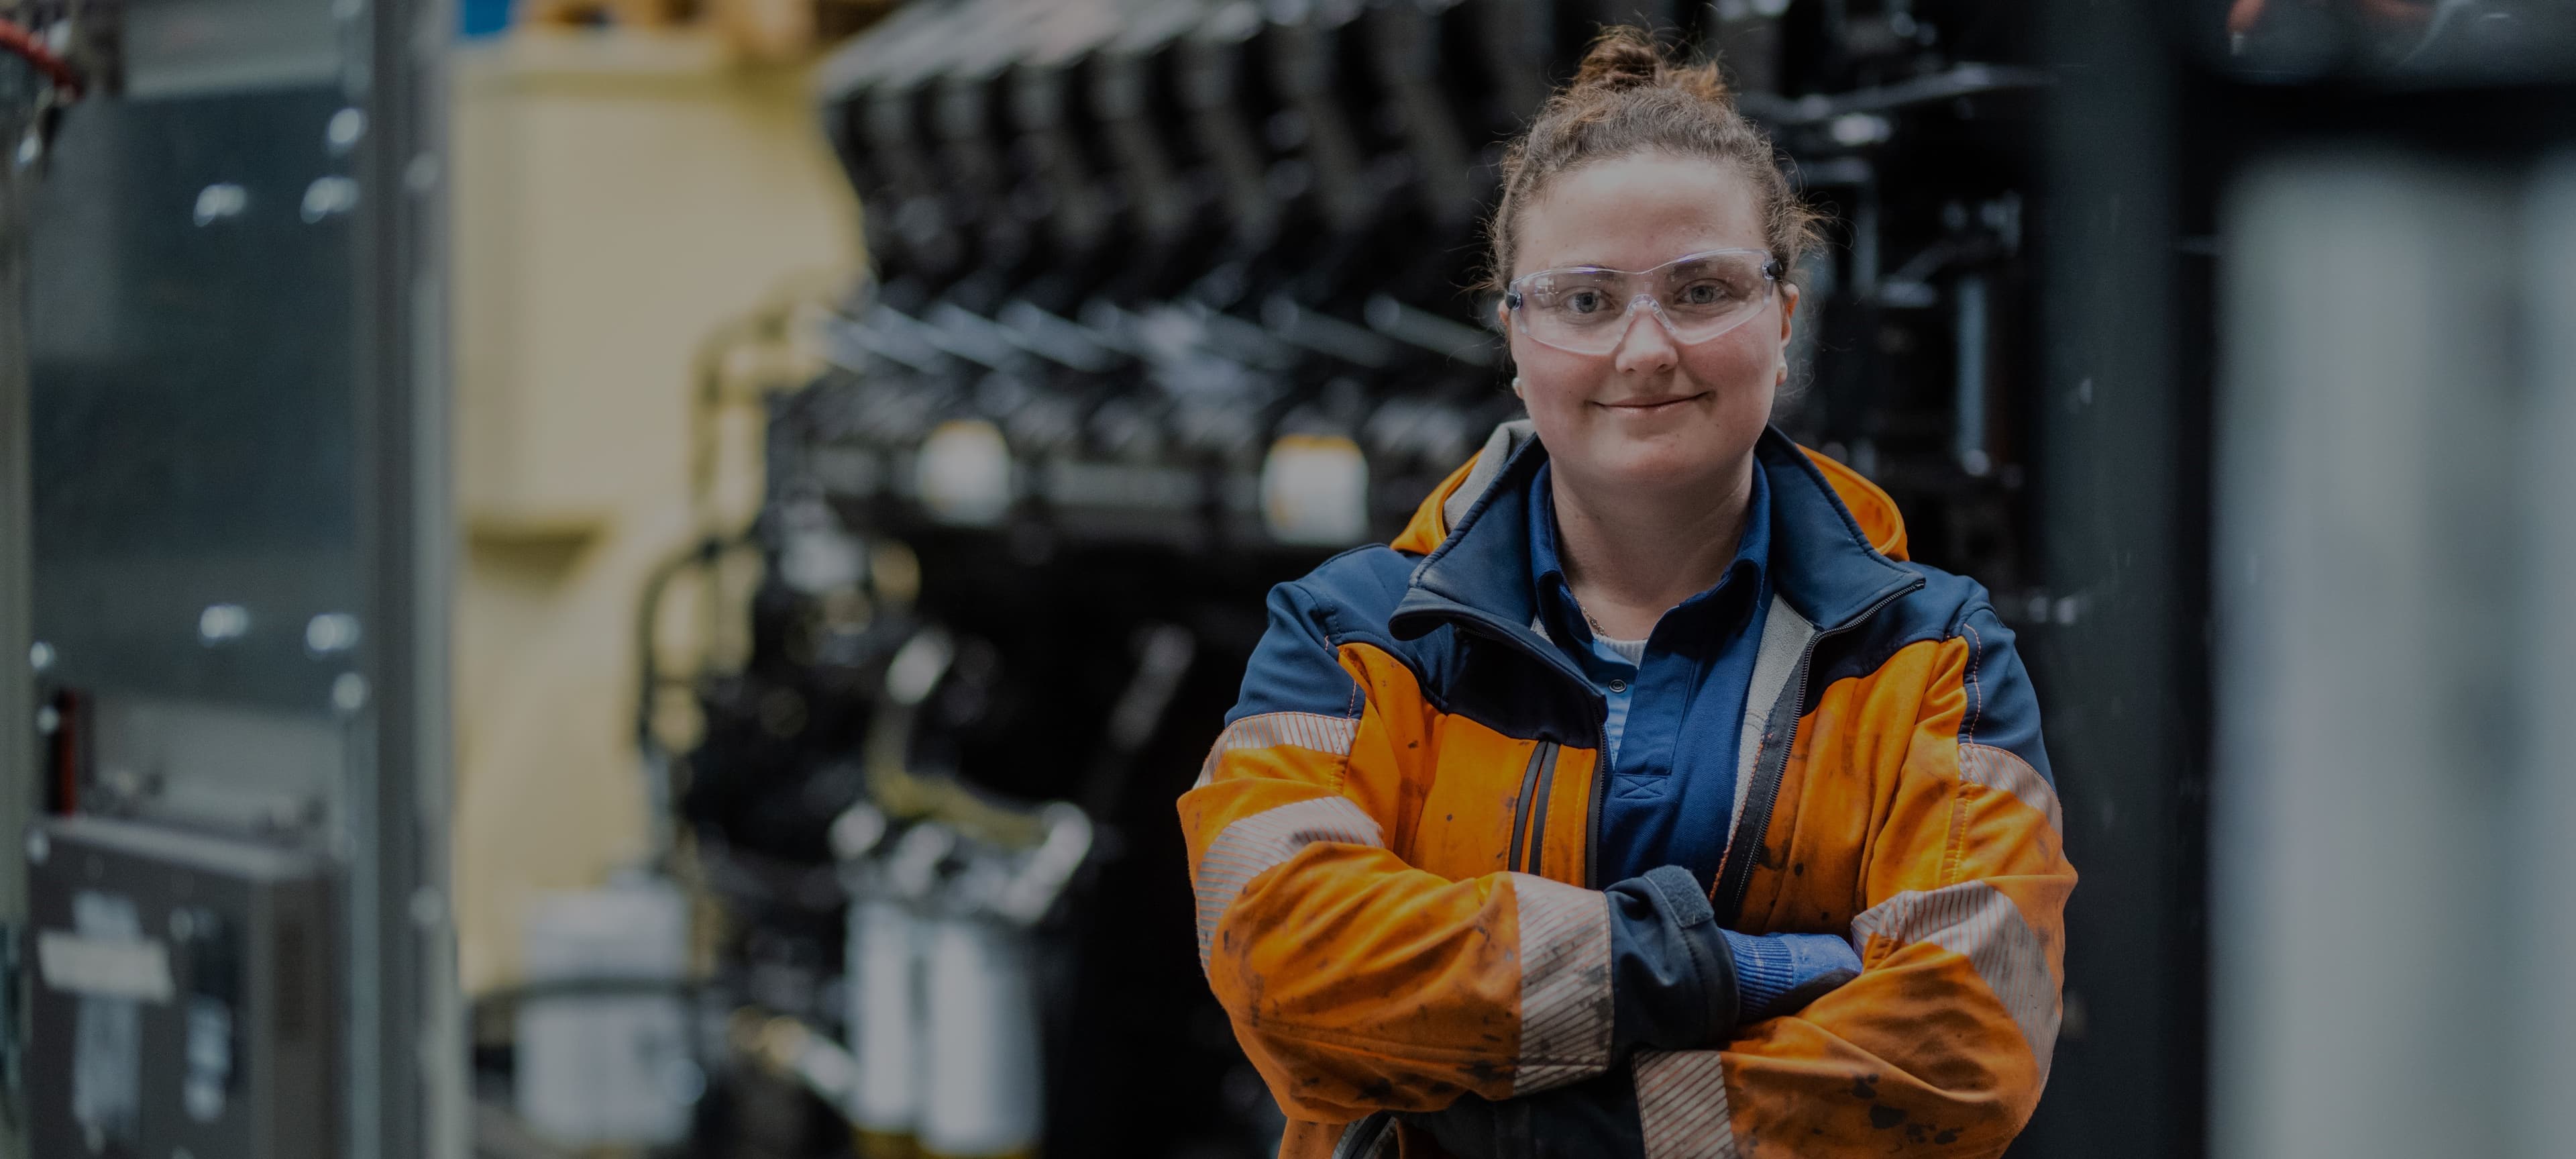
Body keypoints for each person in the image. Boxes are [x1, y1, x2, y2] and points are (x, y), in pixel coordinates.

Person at [1180, 28, 2073, 1159]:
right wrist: (1720, 970)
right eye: (1586, 301)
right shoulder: (1354, 634)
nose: (1647, 348)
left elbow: (1962, 1048)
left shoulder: (1931, 654)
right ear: (1516, 337)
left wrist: (1512, 1139)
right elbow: (1284, 966)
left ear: (1786, 321)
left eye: (1702, 290)